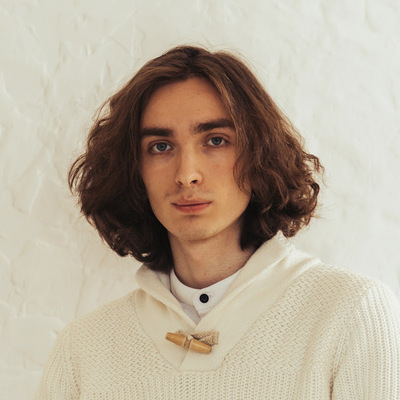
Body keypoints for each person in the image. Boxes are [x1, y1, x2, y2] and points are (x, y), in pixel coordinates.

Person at [34, 46, 400, 399]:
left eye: (215, 140)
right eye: (161, 146)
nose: (187, 174)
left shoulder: (350, 314)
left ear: (258, 153)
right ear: (134, 171)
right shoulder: (82, 350)